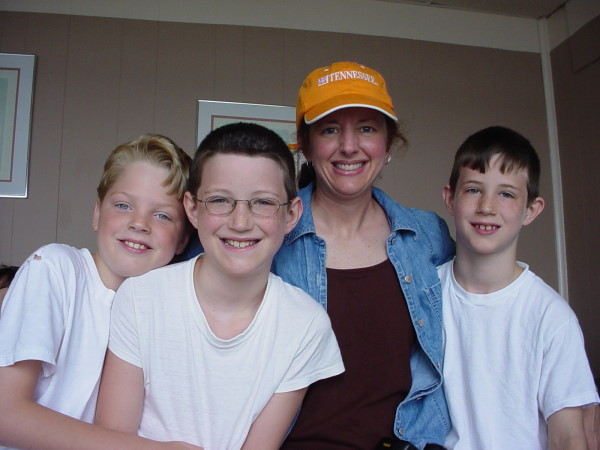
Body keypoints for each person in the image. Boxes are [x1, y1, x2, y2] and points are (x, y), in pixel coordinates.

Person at [94, 122, 344, 449]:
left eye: (263, 203)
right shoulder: (141, 298)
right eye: (220, 200)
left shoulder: (306, 324)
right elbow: (112, 439)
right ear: (192, 208)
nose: (240, 222)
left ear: (292, 215)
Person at [271, 61, 455, 449]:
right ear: (305, 144)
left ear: (389, 143)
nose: (349, 146)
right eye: (330, 129)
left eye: (367, 128)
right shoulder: (266, 230)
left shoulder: (428, 236)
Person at [0, 134, 200, 449]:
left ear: (183, 241)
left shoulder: (164, 313)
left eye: (162, 215)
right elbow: (6, 414)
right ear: (97, 213)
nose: (139, 223)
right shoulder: (55, 268)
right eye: (123, 205)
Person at [439, 126, 599, 449]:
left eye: (506, 194)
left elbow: (569, 436)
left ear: (531, 210)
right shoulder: (424, 296)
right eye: (473, 189)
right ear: (450, 199)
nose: (487, 206)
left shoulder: (551, 318)